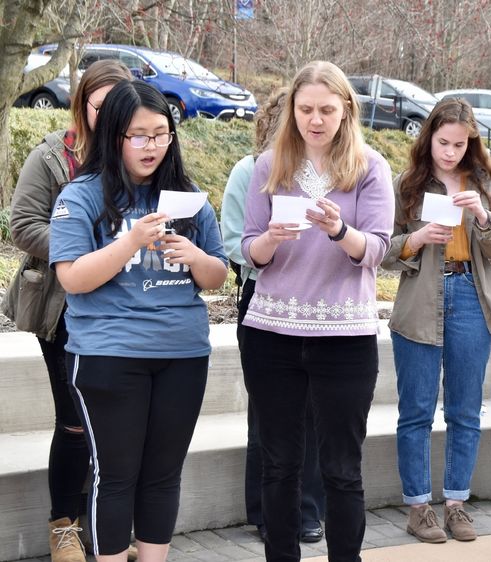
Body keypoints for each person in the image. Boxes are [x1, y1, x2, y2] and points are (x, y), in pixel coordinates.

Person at [49, 79, 228, 562]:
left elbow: (217, 276)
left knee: (163, 474)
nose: (152, 146)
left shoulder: (187, 197)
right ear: (114, 137)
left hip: (182, 354)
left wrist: (192, 253)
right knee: (116, 475)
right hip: (109, 354)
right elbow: (73, 279)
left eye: (161, 134)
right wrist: (129, 242)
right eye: (139, 136)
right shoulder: (81, 196)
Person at [239, 60, 394, 562]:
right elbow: (248, 252)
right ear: (293, 110)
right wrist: (269, 238)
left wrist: (338, 230)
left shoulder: (370, 167)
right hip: (272, 333)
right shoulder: (269, 165)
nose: (315, 119)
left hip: (345, 336)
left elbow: (376, 249)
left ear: (346, 110)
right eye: (305, 109)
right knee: (279, 464)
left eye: (327, 109)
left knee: (341, 469)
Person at [1, 59, 134, 562]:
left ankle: (103, 529)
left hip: (124, 310)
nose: (114, 116)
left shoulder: (137, 153)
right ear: (83, 103)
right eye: (103, 106)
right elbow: (21, 225)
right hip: (61, 311)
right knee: (76, 420)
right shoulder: (54, 155)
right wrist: (85, 246)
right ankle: (64, 526)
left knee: (115, 423)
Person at [381, 98, 491, 543]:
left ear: (471, 143)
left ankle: (457, 504)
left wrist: (481, 214)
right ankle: (419, 508)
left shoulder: (486, 184)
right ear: (429, 137)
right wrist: (417, 238)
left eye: (460, 144)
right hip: (421, 297)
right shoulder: (407, 185)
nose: (451, 152)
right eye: (443, 142)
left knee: (465, 409)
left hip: (471, 297)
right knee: (416, 410)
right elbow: (383, 252)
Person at [220, 88, 326, 544]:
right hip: (262, 299)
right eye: (298, 116)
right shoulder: (251, 171)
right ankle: (265, 511)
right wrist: (270, 241)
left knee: (314, 413)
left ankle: (307, 509)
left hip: (319, 303)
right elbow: (230, 243)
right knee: (270, 413)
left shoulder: (331, 174)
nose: (307, 126)